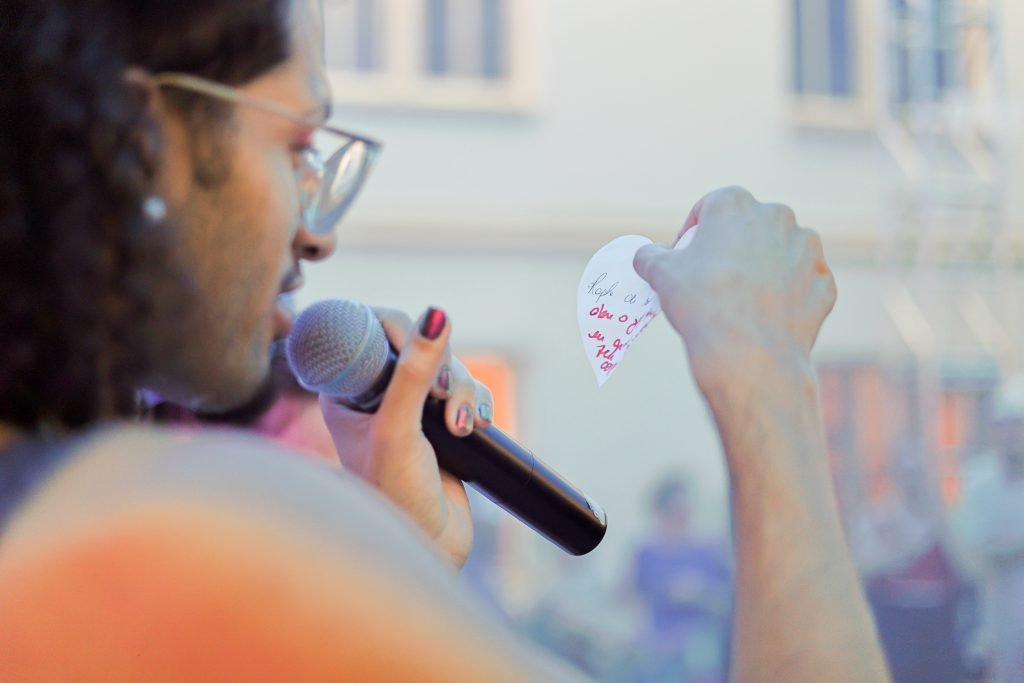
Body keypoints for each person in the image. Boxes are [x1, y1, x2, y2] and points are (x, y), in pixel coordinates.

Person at [0, 1, 889, 680]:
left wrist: (396, 558)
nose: (317, 235)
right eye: (296, 144)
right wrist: (765, 375)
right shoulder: (143, 530)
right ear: (141, 141)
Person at [850, 440, 969, 682]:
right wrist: (901, 549)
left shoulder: (946, 518)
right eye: (906, 473)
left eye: (918, 472)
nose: (912, 481)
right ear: (895, 476)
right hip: (896, 621)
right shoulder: (878, 519)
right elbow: (859, 571)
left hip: (939, 622)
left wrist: (939, 524)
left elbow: (969, 571)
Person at [628, 476, 732, 683]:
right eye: (677, 509)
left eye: (685, 507)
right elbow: (629, 596)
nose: (683, 514)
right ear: (663, 512)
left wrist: (702, 593)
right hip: (659, 646)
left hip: (699, 648)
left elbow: (728, 597)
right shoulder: (647, 551)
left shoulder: (708, 550)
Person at [955, 377, 1024, 682]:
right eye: (1007, 426)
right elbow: (971, 551)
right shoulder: (978, 480)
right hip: (993, 613)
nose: (1014, 435)